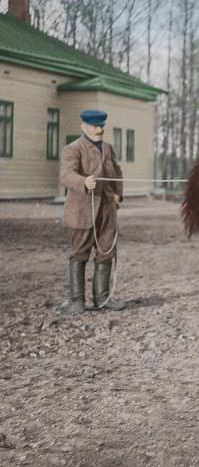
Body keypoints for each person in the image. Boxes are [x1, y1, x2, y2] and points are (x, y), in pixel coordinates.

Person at [56, 110, 126, 314]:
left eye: (101, 125)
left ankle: (102, 298)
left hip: (106, 211)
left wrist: (117, 195)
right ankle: (76, 301)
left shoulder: (108, 148)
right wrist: (83, 181)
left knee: (106, 253)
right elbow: (66, 175)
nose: (100, 129)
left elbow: (117, 174)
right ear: (83, 126)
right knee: (78, 254)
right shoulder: (73, 149)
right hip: (81, 211)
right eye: (95, 126)